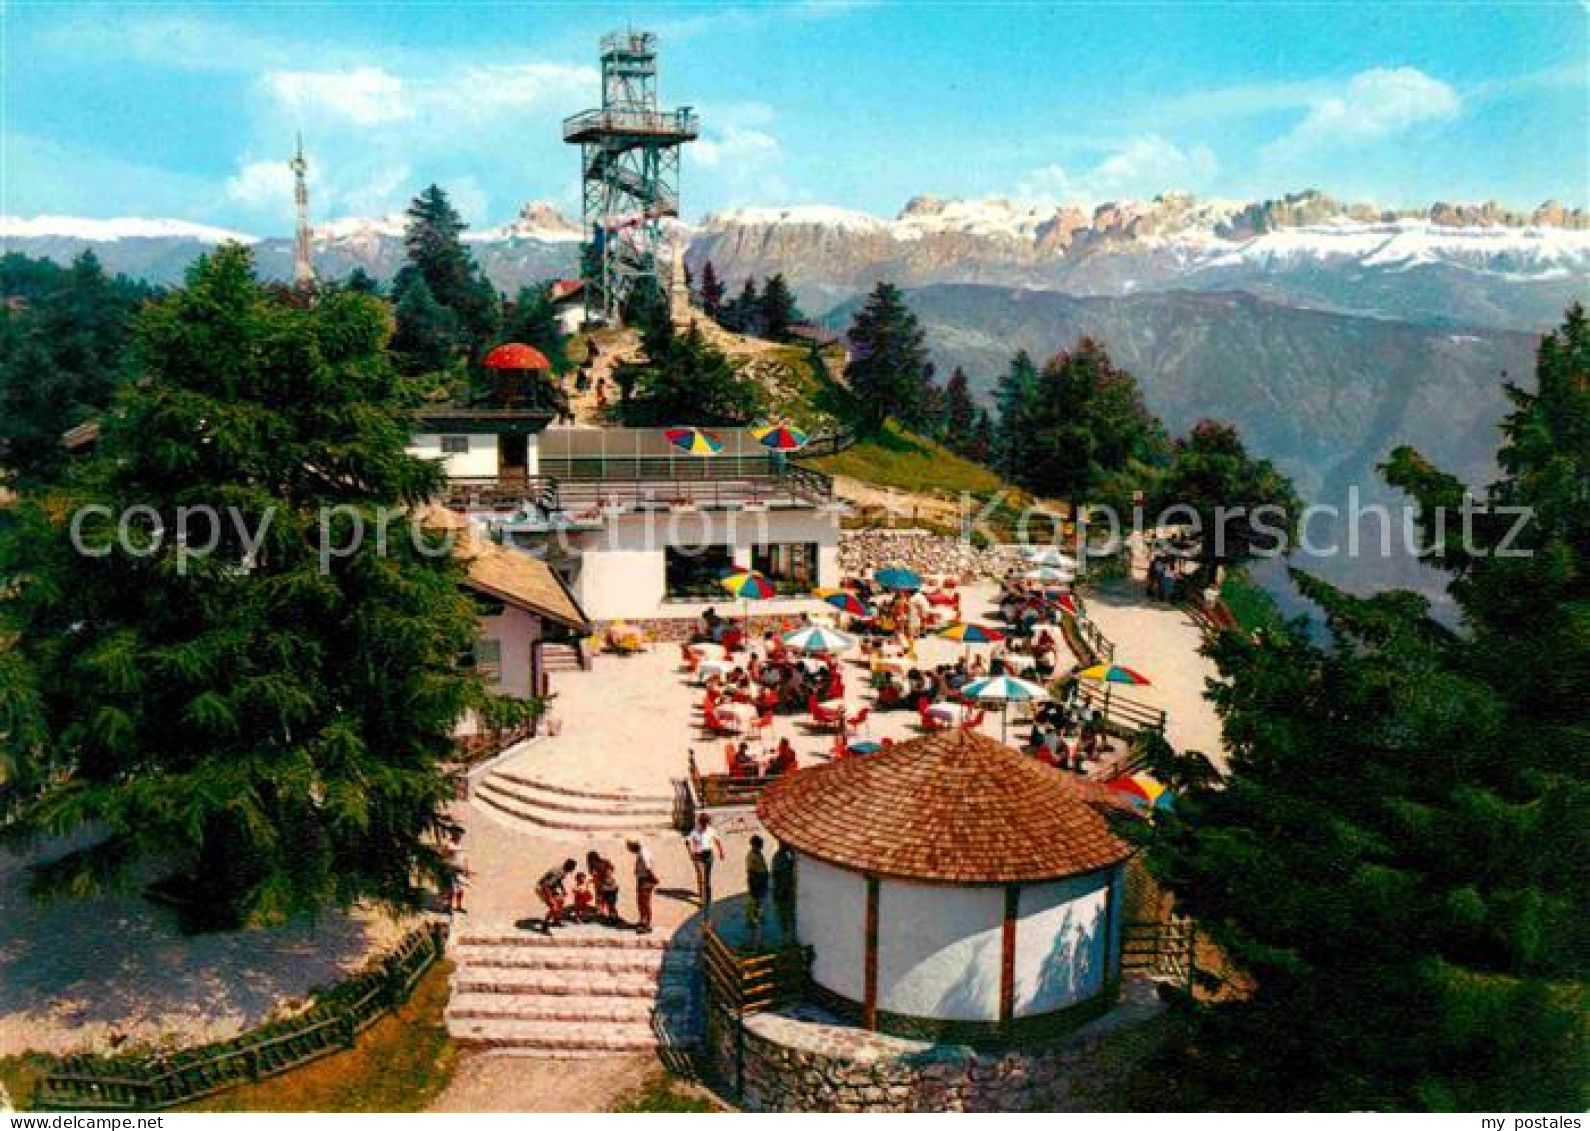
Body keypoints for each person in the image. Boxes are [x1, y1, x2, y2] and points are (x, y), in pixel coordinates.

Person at [687, 812, 726, 911]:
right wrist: (691, 853)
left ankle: (707, 898)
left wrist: (721, 852)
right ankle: (702, 900)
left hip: (708, 854)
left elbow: (717, 841)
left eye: (706, 823)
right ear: (700, 822)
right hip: (698, 855)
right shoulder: (695, 831)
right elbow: (688, 842)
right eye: (703, 823)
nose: (704, 825)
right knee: (701, 877)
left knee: (707, 878)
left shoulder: (711, 830)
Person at [627, 839, 659, 935]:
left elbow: (648, 868)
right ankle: (643, 921)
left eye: (629, 847)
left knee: (645, 902)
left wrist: (654, 879)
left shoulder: (643, 855)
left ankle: (647, 924)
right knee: (641, 901)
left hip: (645, 880)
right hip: (642, 879)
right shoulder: (642, 852)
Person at [537, 858, 577, 932]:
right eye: (573, 868)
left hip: (550, 887)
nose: (572, 870)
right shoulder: (557, 871)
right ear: (569, 866)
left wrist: (562, 890)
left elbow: (558, 881)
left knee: (560, 902)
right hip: (543, 888)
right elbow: (546, 884)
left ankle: (556, 921)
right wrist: (550, 897)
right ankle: (544, 926)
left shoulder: (564, 871)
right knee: (554, 907)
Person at [771, 840, 797, 939]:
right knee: (784, 912)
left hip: (786, 888)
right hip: (782, 889)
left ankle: (787, 931)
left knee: (787, 911)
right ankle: (786, 932)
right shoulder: (779, 858)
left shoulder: (785, 856)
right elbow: (777, 875)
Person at [745, 834, 770, 934]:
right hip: (756, 880)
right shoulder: (751, 856)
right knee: (754, 900)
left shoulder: (758, 854)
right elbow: (751, 871)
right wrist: (755, 883)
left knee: (759, 900)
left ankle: (757, 916)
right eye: (760, 844)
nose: (761, 846)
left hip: (761, 879)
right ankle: (751, 919)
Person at [588, 850, 621, 925]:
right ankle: (613, 918)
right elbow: (612, 869)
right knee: (611, 904)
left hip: (604, 887)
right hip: (613, 886)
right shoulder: (605, 862)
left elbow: (596, 878)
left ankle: (610, 918)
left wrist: (595, 881)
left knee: (603, 902)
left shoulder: (594, 866)